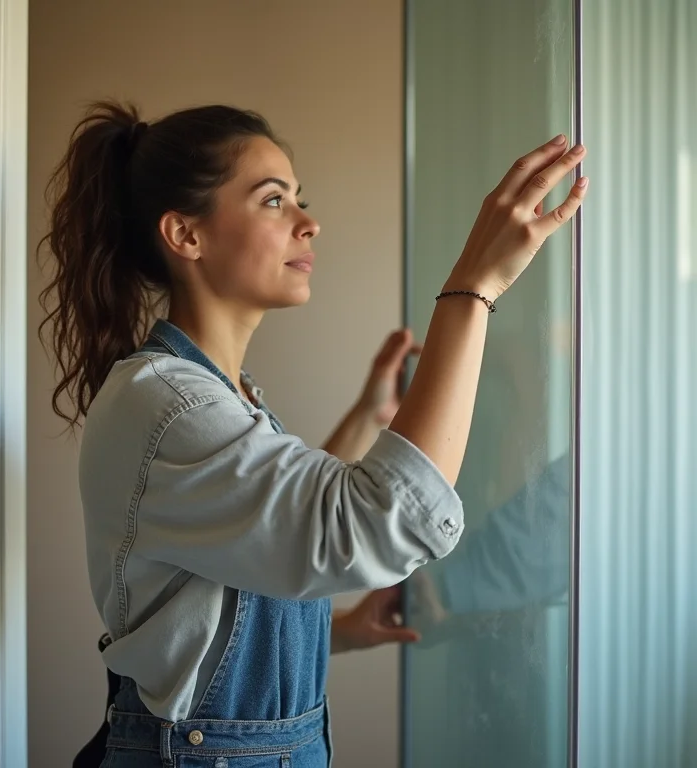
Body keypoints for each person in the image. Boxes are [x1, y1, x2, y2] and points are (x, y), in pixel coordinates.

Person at [38, 101, 587, 768]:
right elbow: (380, 523)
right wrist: (472, 289)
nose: (309, 222)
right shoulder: (169, 403)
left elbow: (269, 541)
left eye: (299, 198)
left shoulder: (213, 396)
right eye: (274, 200)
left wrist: (365, 424)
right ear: (186, 234)